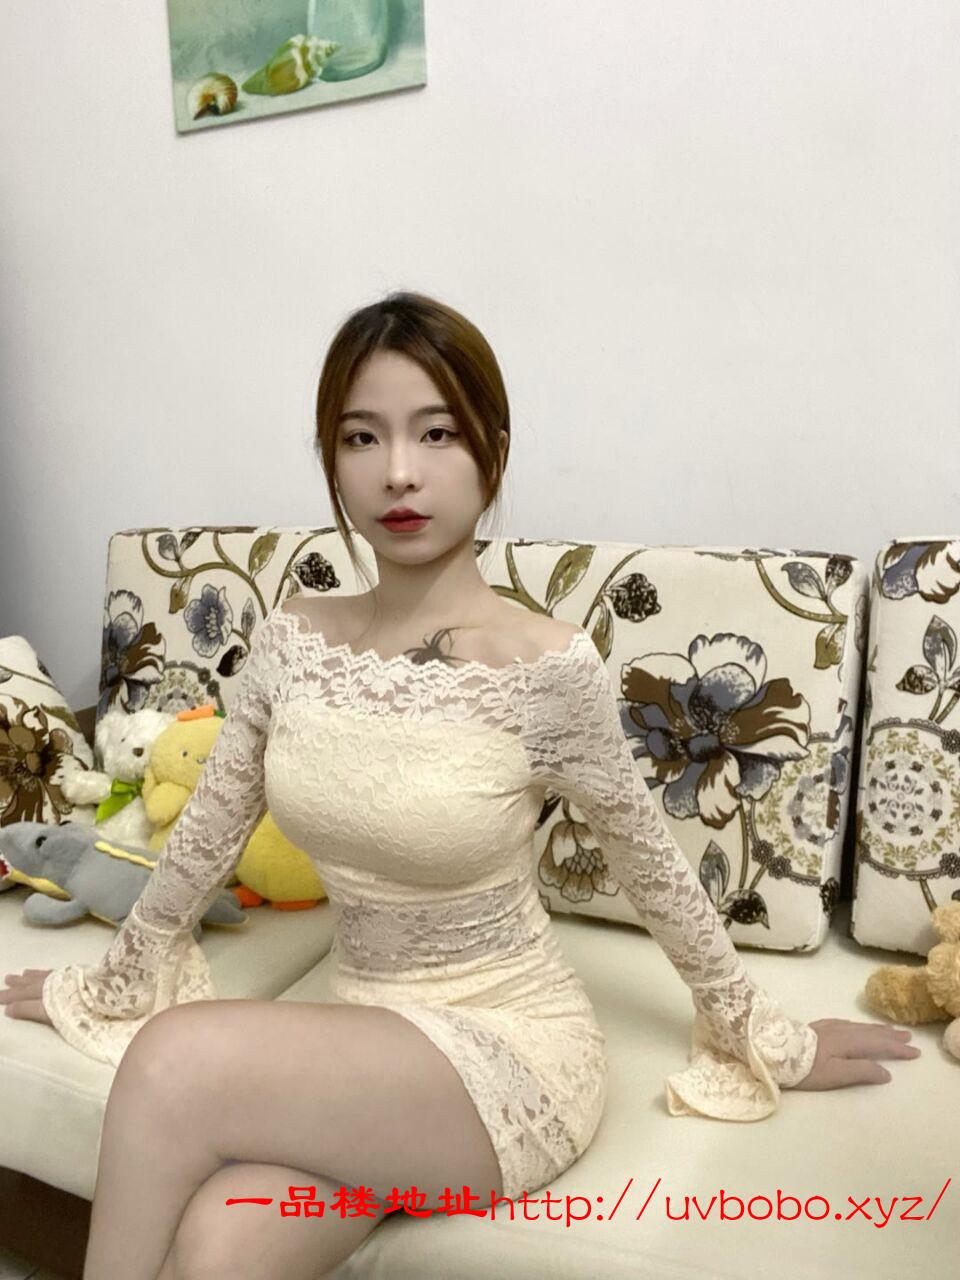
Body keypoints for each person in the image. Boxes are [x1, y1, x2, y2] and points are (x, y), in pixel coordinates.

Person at [2, 291, 921, 1280]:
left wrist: (758, 1029)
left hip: (508, 1053)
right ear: (332, 459)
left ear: (493, 448)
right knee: (217, 1249)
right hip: (364, 1037)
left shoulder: (545, 665)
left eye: (436, 432)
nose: (399, 471)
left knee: (169, 1062)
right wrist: (113, 982)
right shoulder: (293, 640)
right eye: (362, 436)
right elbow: (208, 833)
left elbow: (650, 863)